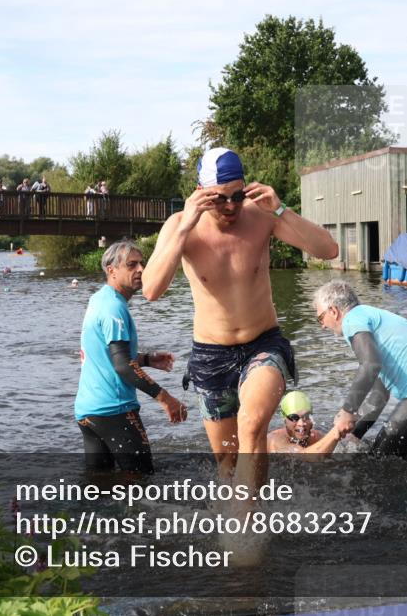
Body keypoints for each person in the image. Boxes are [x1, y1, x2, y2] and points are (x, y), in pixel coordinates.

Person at [141, 147, 338, 491]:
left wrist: (280, 208)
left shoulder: (261, 216)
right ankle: (236, 514)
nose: (231, 206)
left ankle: (250, 528)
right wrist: (185, 227)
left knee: (251, 424)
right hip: (211, 354)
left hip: (263, 344)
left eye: (237, 194)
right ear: (200, 192)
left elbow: (328, 250)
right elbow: (151, 290)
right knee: (228, 463)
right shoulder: (180, 226)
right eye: (219, 199)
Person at [314, 280, 407, 455]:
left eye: (320, 318)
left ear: (333, 311)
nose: (323, 326)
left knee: (380, 460)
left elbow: (370, 364)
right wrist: (355, 435)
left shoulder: (352, 319)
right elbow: (380, 393)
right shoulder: (371, 317)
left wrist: (347, 411)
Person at [75, 239, 187, 474]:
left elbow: (105, 353)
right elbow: (123, 366)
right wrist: (166, 398)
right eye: (132, 265)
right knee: (143, 483)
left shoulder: (99, 299)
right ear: (111, 270)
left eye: (141, 263)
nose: (141, 270)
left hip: (88, 411)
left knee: (101, 486)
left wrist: (145, 359)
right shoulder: (114, 308)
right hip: (114, 410)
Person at [267, 390, 344, 456]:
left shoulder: (315, 436)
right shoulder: (276, 440)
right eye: (294, 418)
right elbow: (304, 456)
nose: (301, 423)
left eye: (306, 416)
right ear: (284, 419)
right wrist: (335, 432)